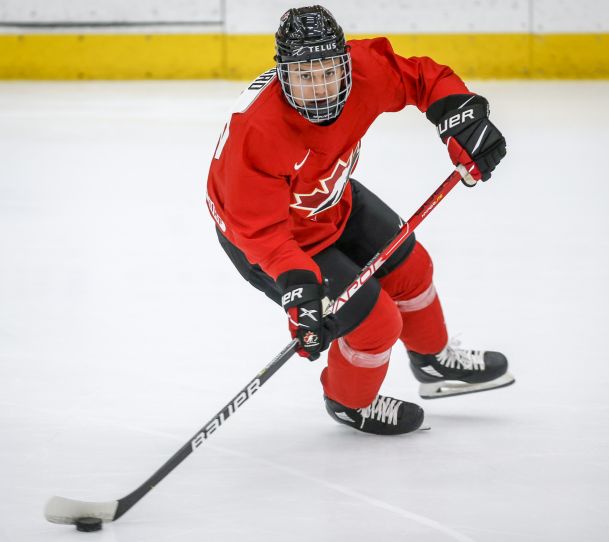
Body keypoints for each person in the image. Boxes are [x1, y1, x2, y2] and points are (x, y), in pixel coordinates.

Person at [205, 5, 513, 436]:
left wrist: (462, 116)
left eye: (329, 71)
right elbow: (259, 231)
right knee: (376, 321)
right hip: (267, 238)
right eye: (305, 76)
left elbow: (422, 77)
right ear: (282, 76)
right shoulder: (256, 133)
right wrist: (299, 289)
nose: (320, 89)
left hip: (330, 199)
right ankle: (351, 403)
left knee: (413, 267)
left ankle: (433, 360)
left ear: (345, 63)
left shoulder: (365, 73)